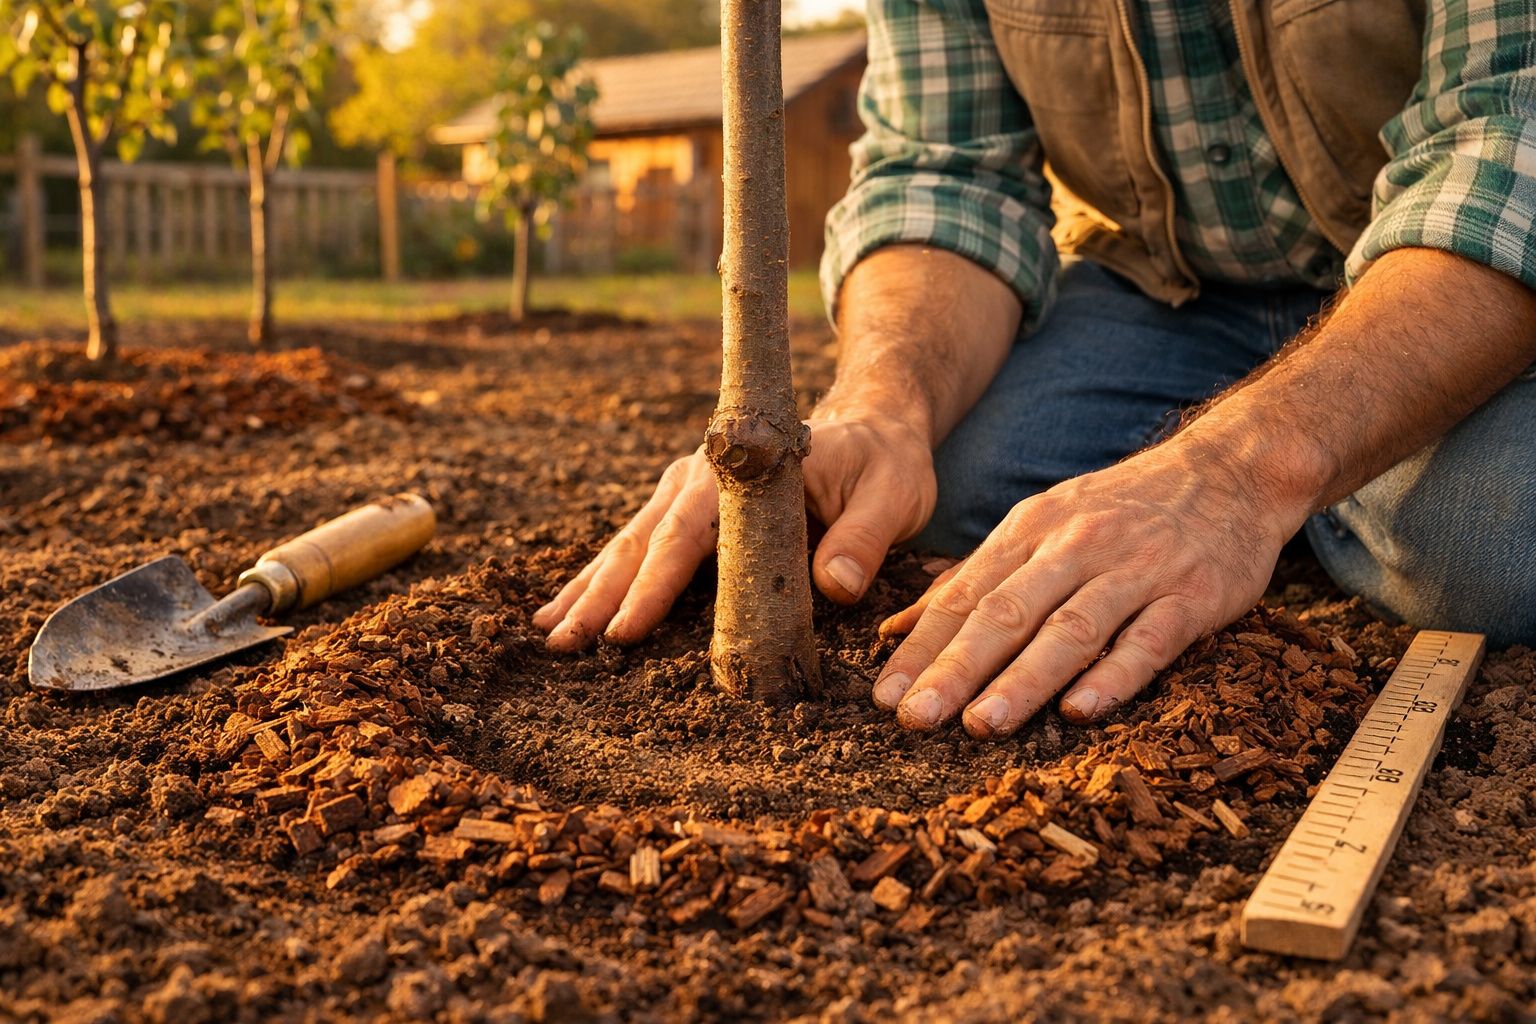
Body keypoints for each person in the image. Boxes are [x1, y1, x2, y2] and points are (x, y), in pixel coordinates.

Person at [536, 0, 1536, 739]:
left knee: (1482, 546)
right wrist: (882, 404)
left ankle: (1288, 504)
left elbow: (1509, 150)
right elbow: (946, 173)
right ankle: (1311, 510)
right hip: (1171, 286)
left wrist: (1239, 477)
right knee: (950, 490)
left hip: (1440, 273)